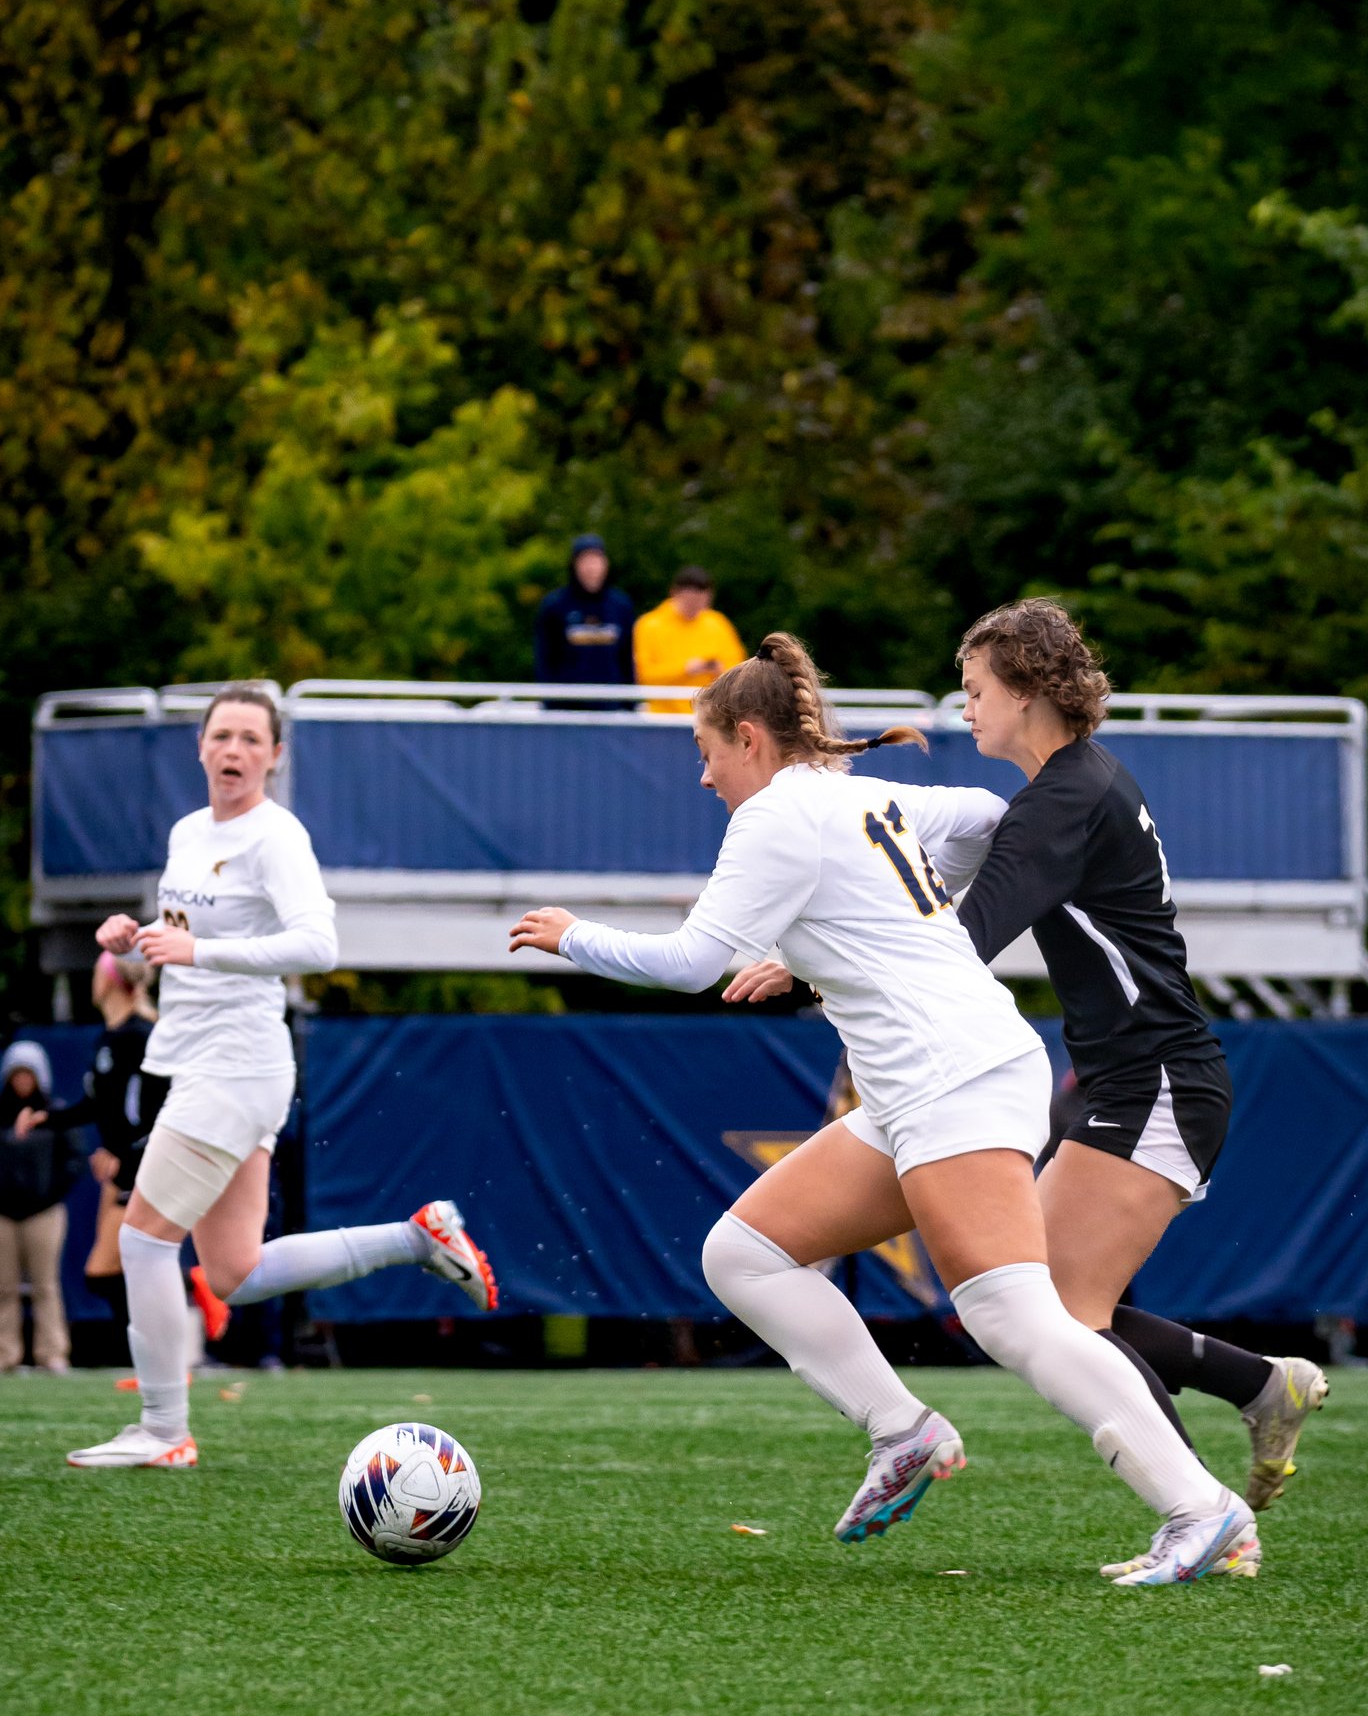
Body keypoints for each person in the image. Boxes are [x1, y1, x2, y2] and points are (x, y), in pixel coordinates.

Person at [510, 633, 1258, 1586]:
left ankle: (1199, 1507)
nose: (703, 779)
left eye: (706, 754)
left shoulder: (780, 813)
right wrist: (902, 915)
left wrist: (576, 936)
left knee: (1011, 1314)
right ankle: (902, 1429)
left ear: (748, 737)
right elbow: (991, 813)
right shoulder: (861, 795)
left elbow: (694, 963)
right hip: (922, 1082)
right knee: (742, 1253)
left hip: (956, 1073)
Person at [949, 599, 1328, 1568]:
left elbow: (959, 943)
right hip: (1141, 1075)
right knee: (1046, 1307)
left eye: (977, 689)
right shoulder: (1073, 784)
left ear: (1029, 690)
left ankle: (1204, 1517)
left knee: (1049, 1315)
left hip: (1154, 1078)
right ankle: (1254, 1390)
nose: (966, 708)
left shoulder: (1063, 796)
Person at [66, 682, 498, 1470]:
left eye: (249, 739)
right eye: (221, 735)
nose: (233, 750)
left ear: (274, 755)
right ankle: (416, 1236)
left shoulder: (277, 836)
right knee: (234, 1271)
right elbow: (190, 931)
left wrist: (198, 952)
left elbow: (317, 945)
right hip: (204, 1061)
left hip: (235, 1066)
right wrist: (135, 935)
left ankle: (164, 1432)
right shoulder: (188, 831)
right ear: (199, 747)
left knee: (141, 1241)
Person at [17, 953, 166, 1343]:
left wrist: (126, 1155)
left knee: (106, 1271)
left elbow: (160, 1111)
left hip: (141, 1171)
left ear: (113, 980)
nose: (93, 979)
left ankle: (167, 1343)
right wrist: (44, 1118)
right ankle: (152, 1358)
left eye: (99, 970)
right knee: (120, 1271)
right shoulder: (109, 1037)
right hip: (118, 1172)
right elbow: (97, 1105)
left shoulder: (140, 1035)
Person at [0, 1040, 85, 1373]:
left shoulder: (54, 1113)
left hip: (44, 1213)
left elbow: (73, 1160)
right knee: (4, 1287)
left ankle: (52, 1353)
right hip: (0, 1214)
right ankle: (2, 1353)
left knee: (45, 1285)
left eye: (29, 1075)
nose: (23, 1081)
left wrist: (49, 1194)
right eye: (17, 1074)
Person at [532, 535, 636, 702]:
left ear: (605, 564)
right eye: (585, 561)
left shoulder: (620, 605)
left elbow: (627, 659)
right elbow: (544, 659)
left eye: (596, 560)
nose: (591, 567)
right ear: (574, 565)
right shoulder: (555, 605)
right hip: (566, 708)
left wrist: (629, 703)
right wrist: (549, 702)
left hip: (611, 706)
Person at [633, 567, 746, 714]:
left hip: (708, 716)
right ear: (675, 593)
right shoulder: (649, 625)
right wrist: (685, 669)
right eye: (690, 601)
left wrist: (718, 670)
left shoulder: (718, 624)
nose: (695, 607)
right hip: (662, 716)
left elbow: (739, 673)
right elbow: (644, 676)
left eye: (702, 601)